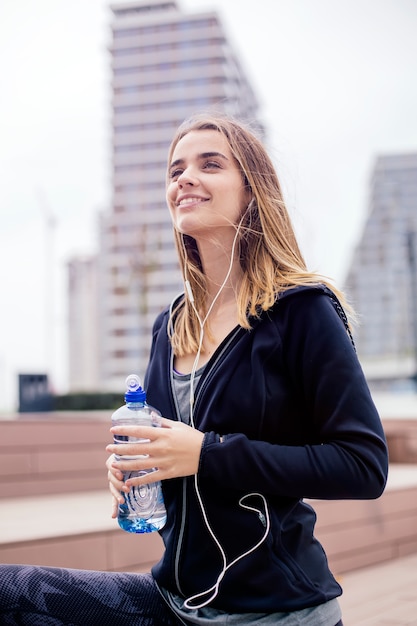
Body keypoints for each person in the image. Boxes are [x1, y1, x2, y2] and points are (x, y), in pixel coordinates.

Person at [0, 113, 388, 625]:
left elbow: (364, 465)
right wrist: (136, 473)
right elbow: (163, 447)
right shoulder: (172, 324)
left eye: (210, 164)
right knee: (9, 592)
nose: (184, 178)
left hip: (276, 610)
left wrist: (206, 454)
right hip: (175, 602)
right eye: (175, 169)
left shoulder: (301, 311)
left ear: (252, 191)